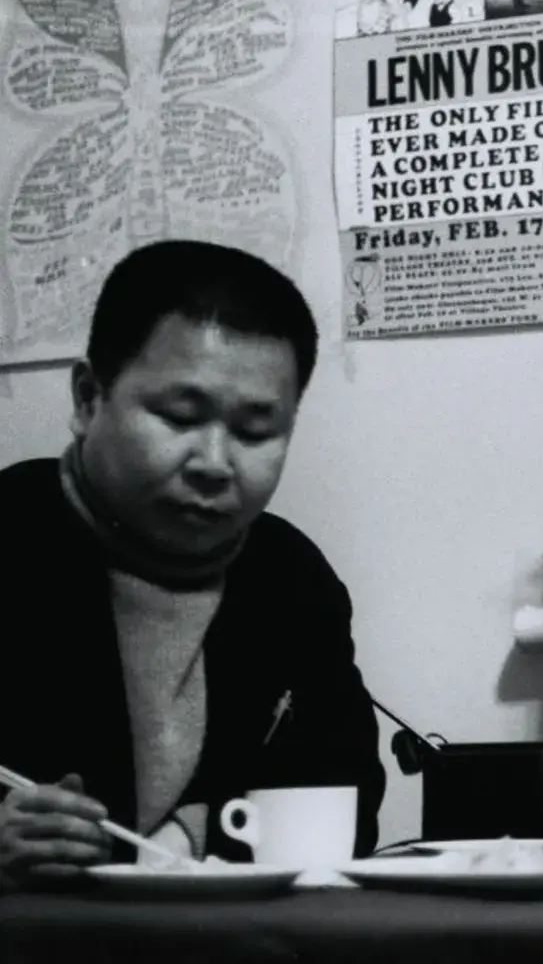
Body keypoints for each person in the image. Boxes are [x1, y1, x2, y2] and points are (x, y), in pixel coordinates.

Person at [0, 241, 385, 891]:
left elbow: (343, 808)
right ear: (90, 398)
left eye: (257, 430)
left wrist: (182, 840)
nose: (214, 461)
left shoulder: (292, 578)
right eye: (179, 416)